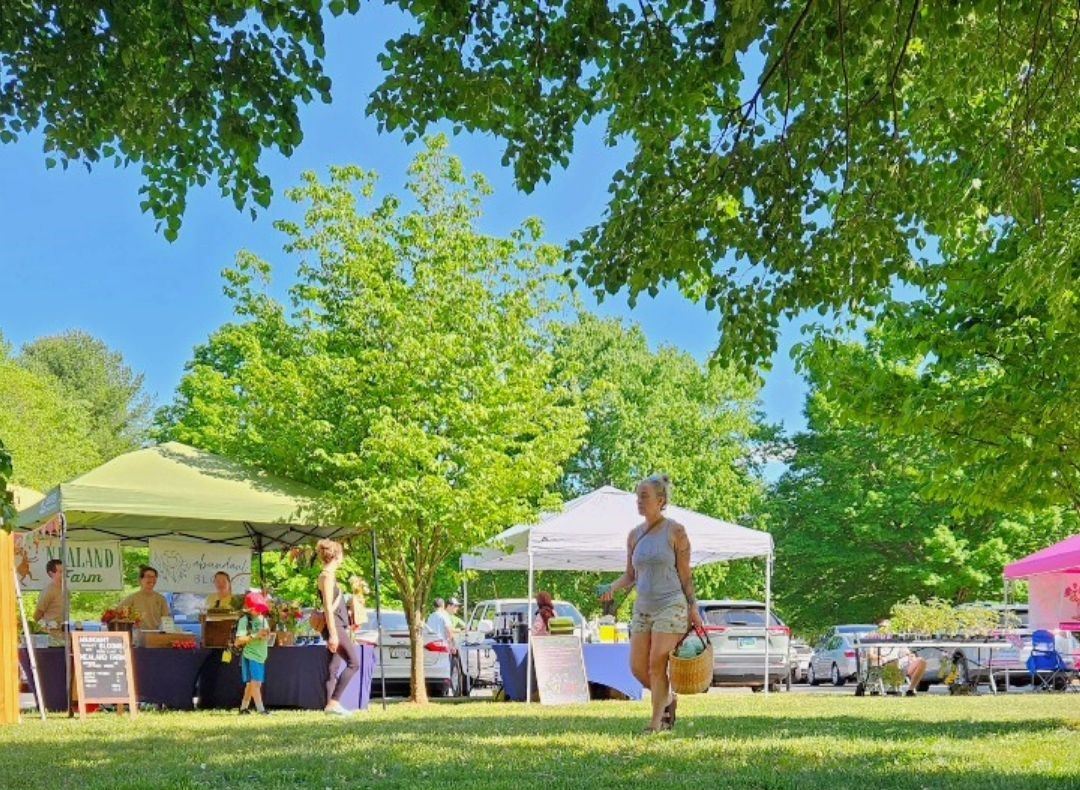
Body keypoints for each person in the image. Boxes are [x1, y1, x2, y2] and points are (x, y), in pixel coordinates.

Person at [596, 474, 704, 733]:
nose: (639, 501)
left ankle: (656, 723)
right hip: (643, 606)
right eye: (637, 496)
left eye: (644, 496)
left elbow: (685, 574)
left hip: (671, 603)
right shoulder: (634, 535)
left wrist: (693, 607)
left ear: (661, 500)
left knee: (657, 662)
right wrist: (611, 587)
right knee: (636, 667)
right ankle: (667, 700)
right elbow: (630, 575)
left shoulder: (675, 531)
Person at [316, 538, 360, 715]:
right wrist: (333, 634)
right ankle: (333, 702)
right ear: (336, 555)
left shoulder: (329, 575)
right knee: (354, 663)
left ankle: (332, 704)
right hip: (335, 626)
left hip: (339, 624)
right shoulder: (326, 576)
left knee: (336, 665)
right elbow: (327, 607)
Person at [236, 591, 272, 715]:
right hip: (251, 654)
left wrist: (266, 636)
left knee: (252, 684)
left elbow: (266, 636)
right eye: (255, 607)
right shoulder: (244, 620)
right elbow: (239, 640)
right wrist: (256, 635)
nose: (258, 610)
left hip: (261, 655)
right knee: (255, 682)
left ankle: (243, 708)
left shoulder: (263, 620)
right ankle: (261, 709)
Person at [874, 620, 928, 696]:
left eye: (886, 627)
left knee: (922, 662)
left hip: (900, 664)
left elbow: (906, 652)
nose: (883, 629)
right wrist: (879, 658)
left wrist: (911, 655)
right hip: (885, 664)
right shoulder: (873, 640)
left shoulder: (896, 639)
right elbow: (870, 655)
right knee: (894, 662)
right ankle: (893, 689)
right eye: (881, 627)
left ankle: (910, 690)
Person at [118, 566, 171, 630]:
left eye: (154, 577)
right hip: (137, 635)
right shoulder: (132, 598)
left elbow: (166, 619)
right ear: (140, 580)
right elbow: (118, 613)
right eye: (148, 576)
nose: (152, 579)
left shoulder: (161, 599)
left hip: (156, 635)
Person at [33, 559, 64, 635]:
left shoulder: (65, 590)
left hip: (63, 633)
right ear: (51, 574)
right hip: (50, 635)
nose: (64, 574)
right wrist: (45, 626)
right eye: (60, 572)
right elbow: (37, 614)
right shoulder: (48, 591)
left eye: (65, 571)